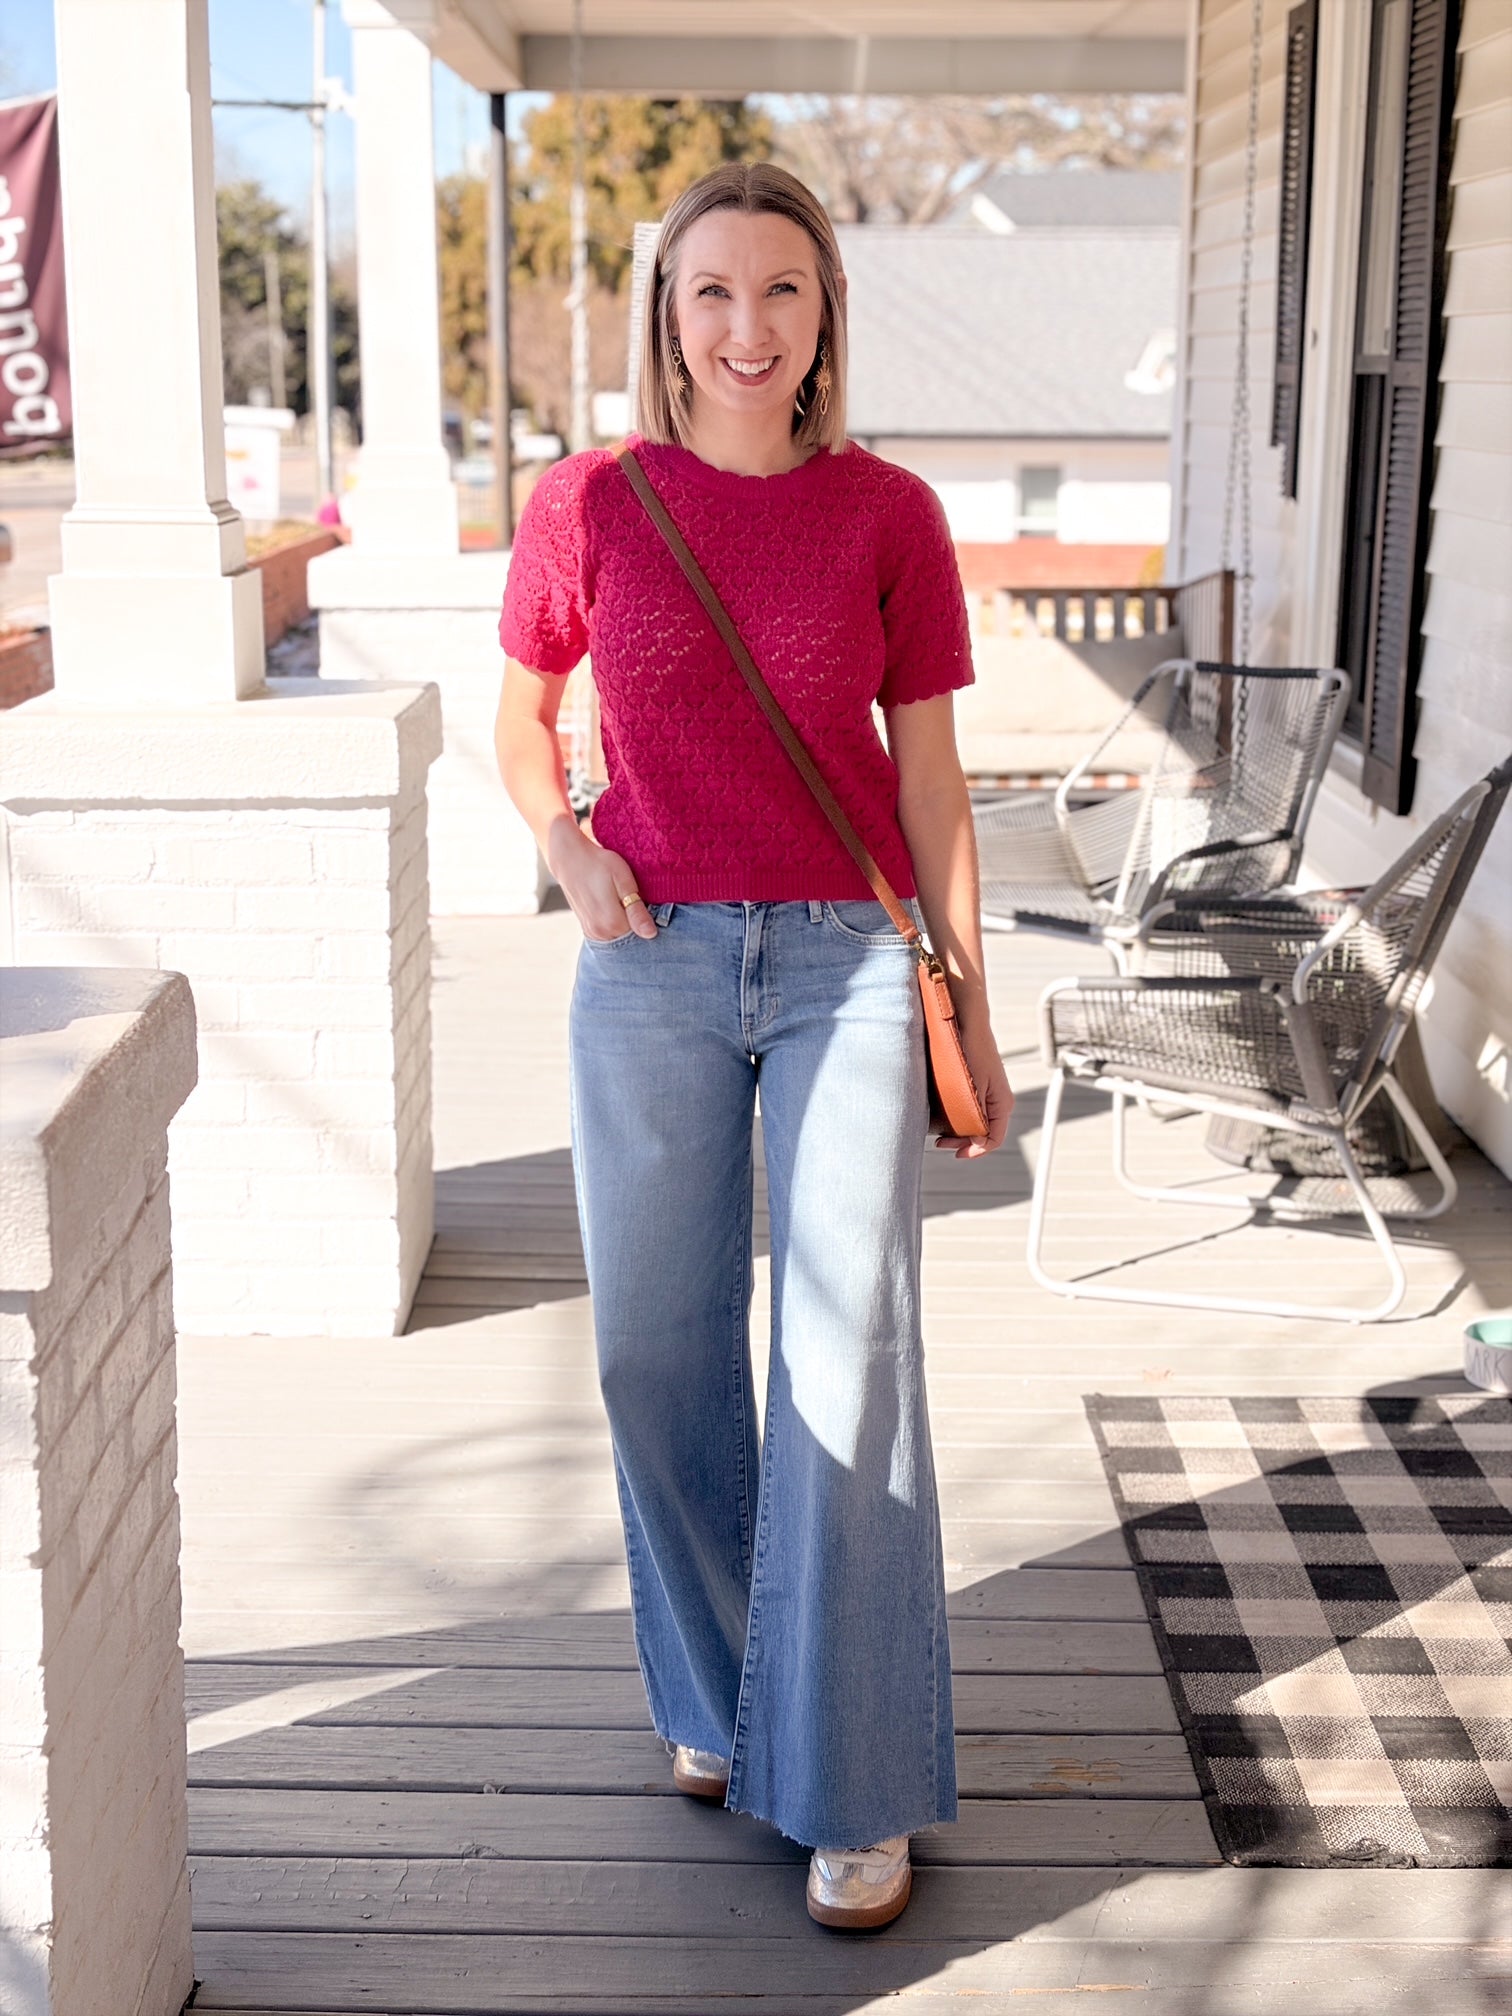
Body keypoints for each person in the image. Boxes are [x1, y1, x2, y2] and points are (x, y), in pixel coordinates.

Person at [494, 161, 1012, 1932]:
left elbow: (930, 774)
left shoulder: (890, 514)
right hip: (647, 964)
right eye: (710, 290)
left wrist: (970, 991)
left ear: (824, 317)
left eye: (781, 290)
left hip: (848, 967)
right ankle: (723, 1698)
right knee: (653, 1354)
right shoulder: (590, 501)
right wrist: (567, 849)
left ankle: (853, 1781)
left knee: (845, 1359)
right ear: (666, 316)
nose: (745, 326)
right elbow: (524, 720)